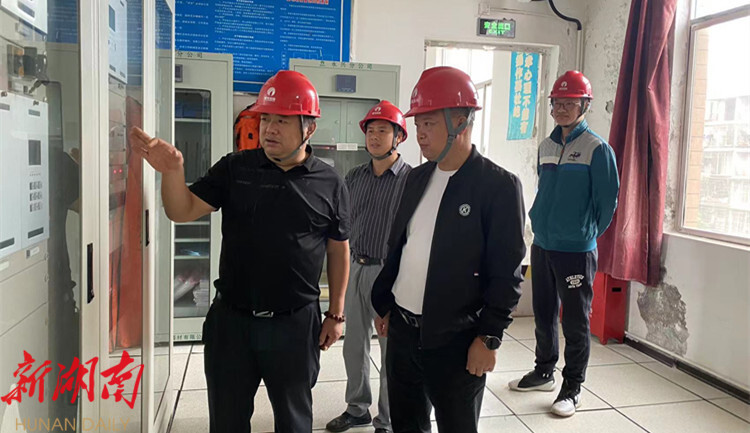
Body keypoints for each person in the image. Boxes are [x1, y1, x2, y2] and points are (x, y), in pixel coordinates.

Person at [130, 70, 351, 433]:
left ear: (309, 128)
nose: (270, 129)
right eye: (265, 119)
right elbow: (182, 210)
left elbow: (338, 247)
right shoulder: (236, 168)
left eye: (282, 121)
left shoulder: (330, 182)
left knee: (294, 421)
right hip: (233, 323)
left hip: (295, 325)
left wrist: (336, 314)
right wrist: (172, 171)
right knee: (227, 421)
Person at [371, 66, 526, 433]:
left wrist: (489, 338)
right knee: (405, 425)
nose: (420, 135)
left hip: (457, 340)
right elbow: (401, 245)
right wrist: (387, 301)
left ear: (460, 121)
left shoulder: (498, 186)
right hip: (403, 333)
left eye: (428, 124)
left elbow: (507, 274)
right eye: (418, 125)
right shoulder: (417, 177)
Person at [508, 70, 619, 417]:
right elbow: (545, 189)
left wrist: (583, 233)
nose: (562, 109)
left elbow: (607, 202)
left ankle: (572, 387)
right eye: (557, 102)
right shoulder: (546, 146)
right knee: (543, 313)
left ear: (584, 105)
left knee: (574, 321)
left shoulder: (597, 149)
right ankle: (544, 371)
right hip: (543, 244)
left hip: (575, 251)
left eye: (570, 103)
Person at [326, 101, 411, 433]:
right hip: (355, 267)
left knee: (391, 350)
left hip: (390, 273)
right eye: (370, 131)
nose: (374, 137)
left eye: (383, 131)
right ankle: (357, 408)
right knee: (353, 345)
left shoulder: (411, 180)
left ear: (398, 136)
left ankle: (387, 420)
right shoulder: (354, 176)